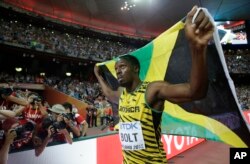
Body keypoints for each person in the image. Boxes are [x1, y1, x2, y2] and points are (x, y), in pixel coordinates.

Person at [94, 6, 214, 163]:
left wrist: (197, 48)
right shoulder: (122, 94)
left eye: (122, 67)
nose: (118, 72)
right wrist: (98, 75)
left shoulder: (152, 90)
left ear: (136, 68)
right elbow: (109, 93)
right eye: (116, 69)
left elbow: (195, 91)